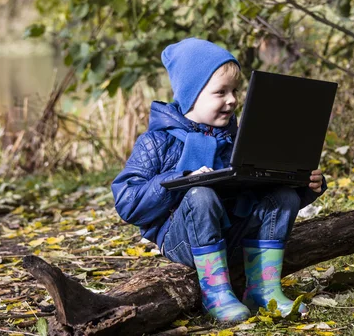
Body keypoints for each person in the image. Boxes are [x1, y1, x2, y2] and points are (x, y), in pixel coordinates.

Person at [111, 38, 327, 322]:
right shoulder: (156, 141)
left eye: (234, 91)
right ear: (192, 95)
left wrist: (302, 183)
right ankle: (216, 294)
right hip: (182, 239)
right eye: (220, 92)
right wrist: (181, 180)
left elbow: (265, 194)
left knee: (283, 197)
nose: (232, 100)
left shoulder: (239, 138)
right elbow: (127, 203)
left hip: (232, 234)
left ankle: (263, 289)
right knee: (199, 194)